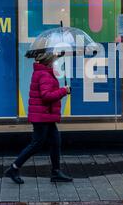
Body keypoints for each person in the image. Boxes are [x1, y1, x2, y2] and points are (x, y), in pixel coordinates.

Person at [4, 51, 72, 184]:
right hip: (42, 116)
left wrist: (60, 54)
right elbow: (46, 96)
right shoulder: (44, 74)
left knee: (55, 141)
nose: (54, 62)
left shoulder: (43, 71)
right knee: (36, 144)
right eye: (53, 60)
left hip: (46, 115)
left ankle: (56, 171)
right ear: (48, 61)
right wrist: (64, 90)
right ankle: (13, 168)